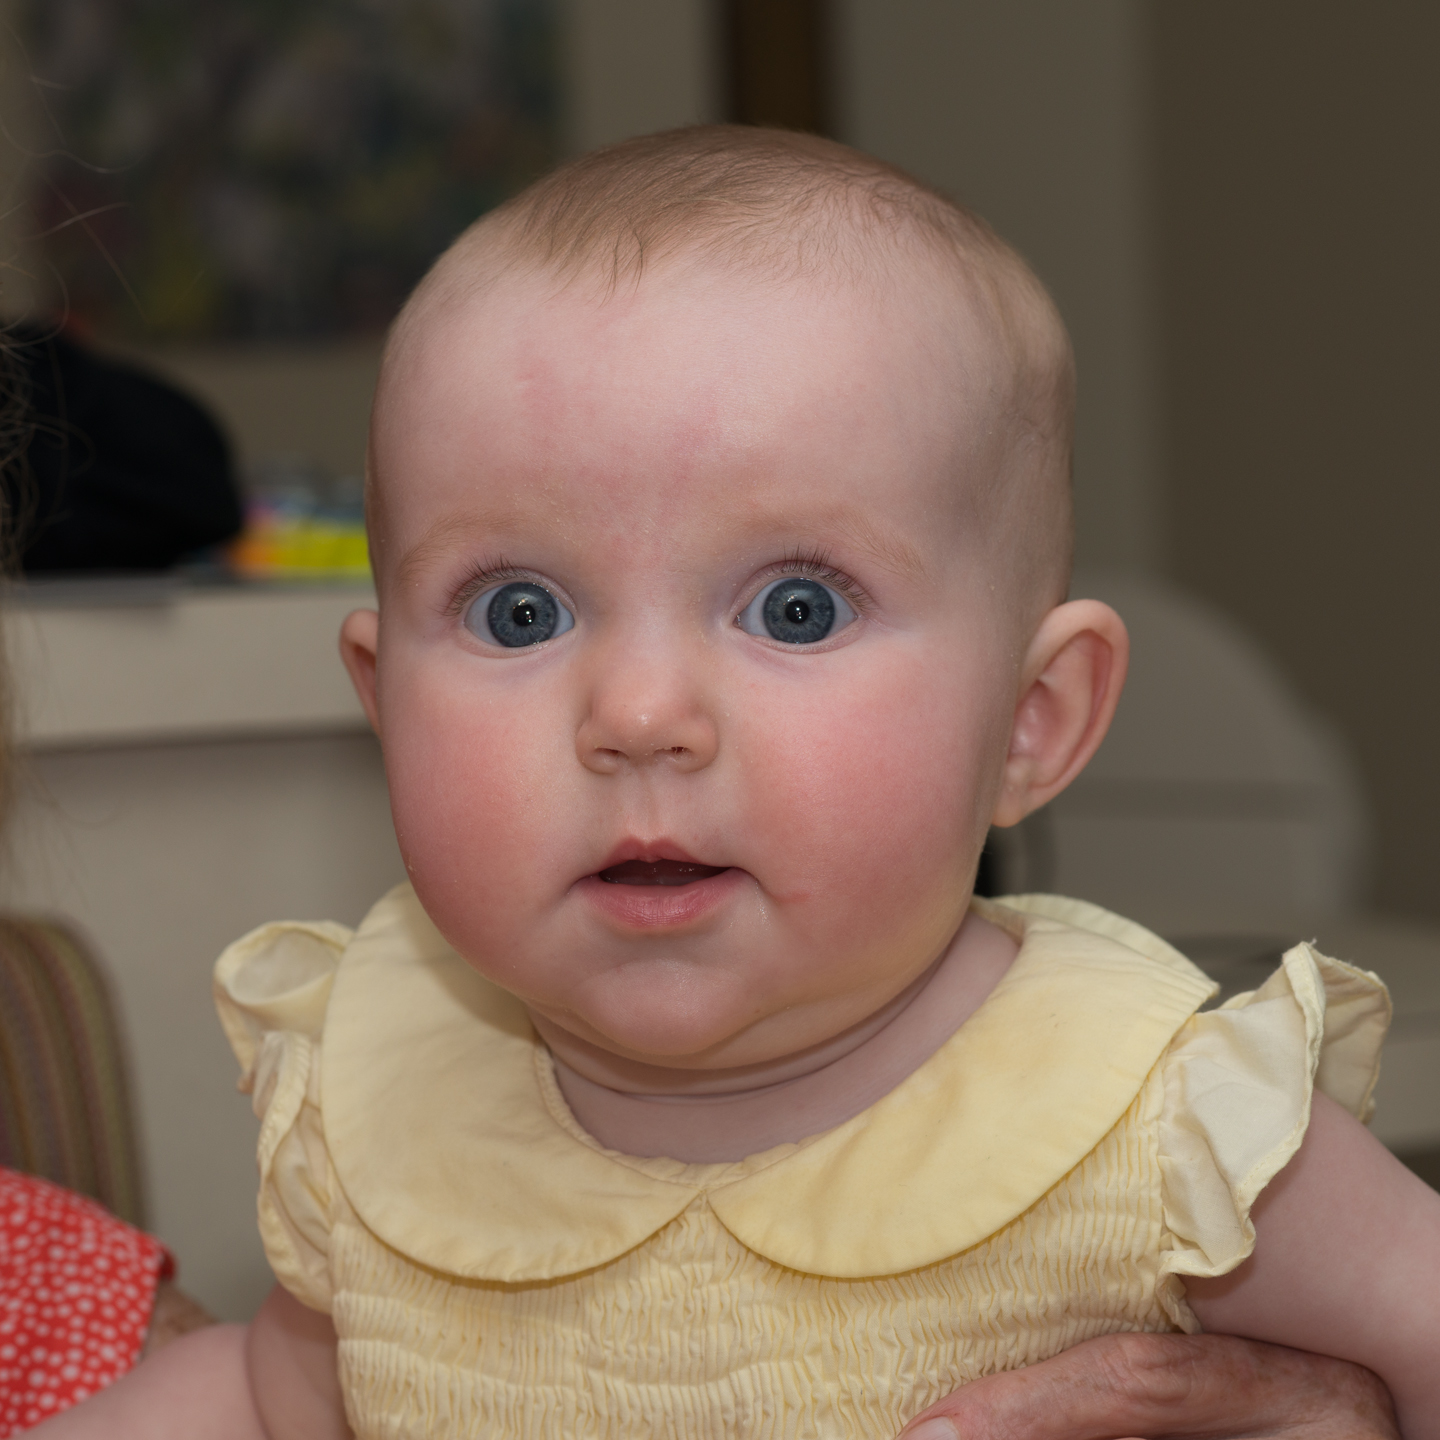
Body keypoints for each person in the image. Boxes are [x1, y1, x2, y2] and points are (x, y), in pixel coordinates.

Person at [33, 127, 1431, 1438]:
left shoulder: (1165, 1125)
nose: (640, 715)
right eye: (520, 612)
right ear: (384, 703)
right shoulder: (387, 1103)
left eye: (796, 610)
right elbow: (263, 1398)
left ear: (1030, 722)